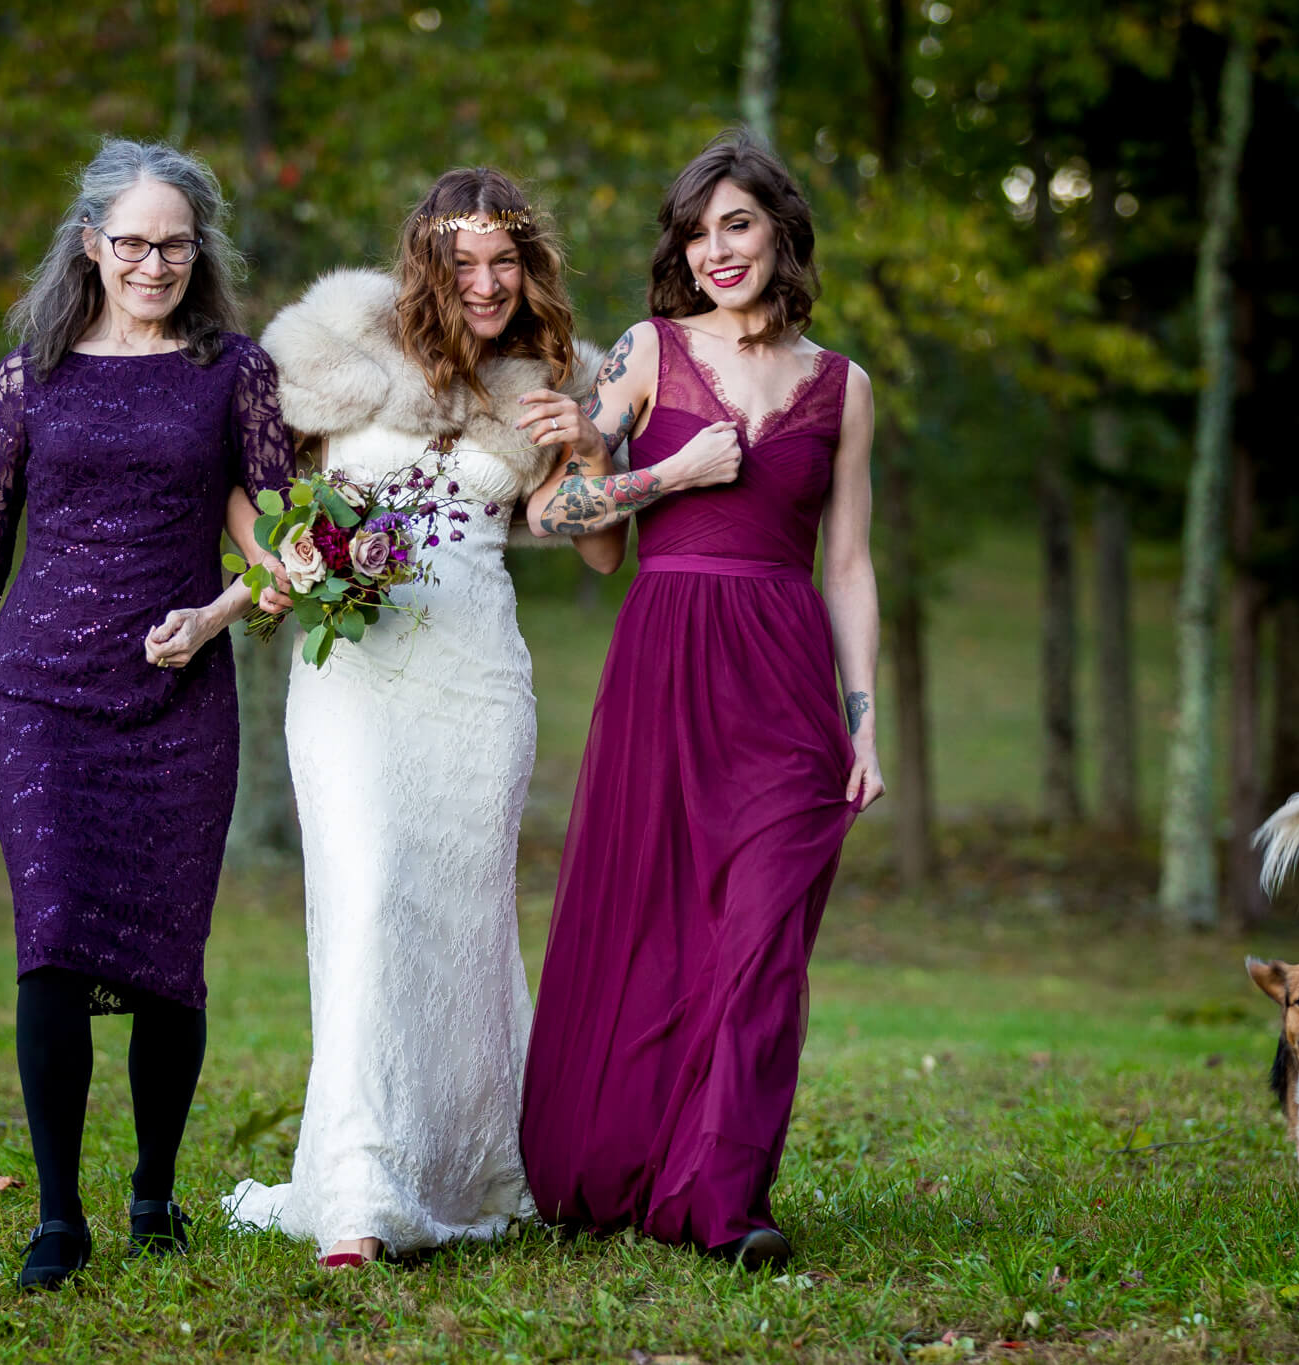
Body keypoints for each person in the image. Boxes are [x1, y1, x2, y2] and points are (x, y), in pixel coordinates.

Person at [222, 168, 741, 1267]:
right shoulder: (335, 360)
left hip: (477, 680)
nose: (486, 281)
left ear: (529, 267)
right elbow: (262, 493)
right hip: (354, 676)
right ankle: (358, 1192)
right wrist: (284, 564)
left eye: (504, 261)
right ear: (425, 265)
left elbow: (598, 549)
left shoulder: (556, 379)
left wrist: (596, 450)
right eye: (462, 262)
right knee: (366, 899)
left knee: (460, 920)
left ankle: (466, 1169)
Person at [0, 139, 294, 1290]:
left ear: (198, 250)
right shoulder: (33, 371)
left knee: (171, 953)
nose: (154, 263)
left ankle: (155, 1191)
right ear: (90, 244)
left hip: (177, 695)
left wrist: (213, 616)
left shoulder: (235, 372)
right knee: (54, 939)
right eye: (131, 242)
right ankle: (59, 1216)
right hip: (39, 697)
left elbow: (287, 548)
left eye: (175, 243)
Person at [517, 132, 884, 1269]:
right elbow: (560, 526)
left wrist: (866, 721)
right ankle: (623, 1163)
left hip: (783, 682)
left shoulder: (843, 386)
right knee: (657, 925)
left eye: (737, 223)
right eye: (697, 229)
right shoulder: (642, 352)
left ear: (779, 229)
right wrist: (662, 474)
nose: (716, 248)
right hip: (663, 661)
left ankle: (725, 1199)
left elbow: (850, 565)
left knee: (764, 936)